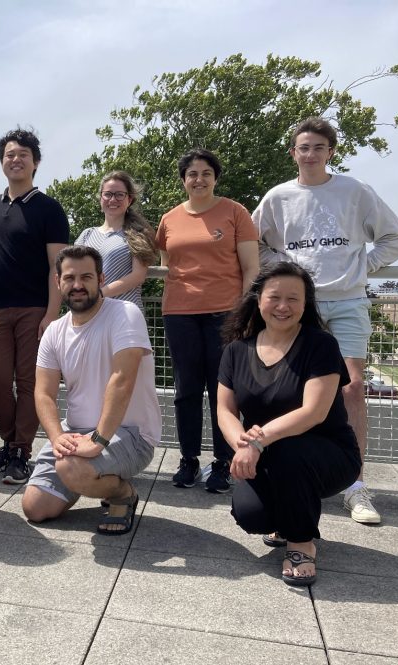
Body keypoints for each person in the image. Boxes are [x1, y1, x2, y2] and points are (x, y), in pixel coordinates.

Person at [253, 117, 398, 525]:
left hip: (348, 302)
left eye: (319, 147)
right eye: (303, 147)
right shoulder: (278, 197)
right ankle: (294, 472)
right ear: (293, 153)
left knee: (352, 388)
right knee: (293, 391)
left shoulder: (355, 191)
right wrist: (283, 266)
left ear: (331, 151)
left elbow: (394, 236)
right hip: (299, 305)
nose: (310, 154)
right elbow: (253, 243)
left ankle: (355, 486)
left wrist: (364, 266)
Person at [218, 262, 361, 586]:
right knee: (250, 514)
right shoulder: (236, 350)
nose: (283, 306)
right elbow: (225, 411)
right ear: (258, 300)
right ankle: (287, 520)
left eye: (293, 299)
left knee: (289, 452)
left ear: (306, 303)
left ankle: (301, 542)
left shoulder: (320, 345)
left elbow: (313, 412)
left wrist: (257, 442)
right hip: (264, 450)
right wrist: (242, 445)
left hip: (327, 454)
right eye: (275, 297)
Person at [22, 246, 160, 534]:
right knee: (35, 508)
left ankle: (122, 494)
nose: (77, 285)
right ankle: (84, 477)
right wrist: (57, 437)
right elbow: (43, 393)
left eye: (86, 277)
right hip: (75, 431)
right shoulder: (55, 331)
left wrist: (98, 440)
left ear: (101, 278)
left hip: (131, 433)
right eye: (69, 278)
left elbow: (122, 379)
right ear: (58, 282)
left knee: (72, 468)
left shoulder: (125, 313)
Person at [156, 149, 259, 493]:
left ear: (215, 178)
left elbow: (251, 268)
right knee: (186, 389)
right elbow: (167, 262)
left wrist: (245, 313)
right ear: (183, 180)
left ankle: (223, 463)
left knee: (223, 391)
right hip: (179, 312)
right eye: (192, 174)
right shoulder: (169, 219)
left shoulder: (234, 212)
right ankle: (188, 460)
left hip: (225, 314)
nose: (198, 179)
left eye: (205, 173)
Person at [0, 127, 70, 484]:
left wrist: (52, 314)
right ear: (2, 162)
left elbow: (58, 267)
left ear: (35, 163)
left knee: (30, 381)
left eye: (22, 155)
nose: (15, 160)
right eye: (9, 155)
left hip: (35, 309)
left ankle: (20, 450)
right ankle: (8, 442)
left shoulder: (49, 208)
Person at [74, 170, 157, 311]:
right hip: (89, 313)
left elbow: (138, 276)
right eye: (108, 194)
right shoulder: (86, 235)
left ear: (129, 200)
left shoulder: (139, 234)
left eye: (119, 195)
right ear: (100, 198)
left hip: (124, 313)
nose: (113, 200)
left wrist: (99, 294)